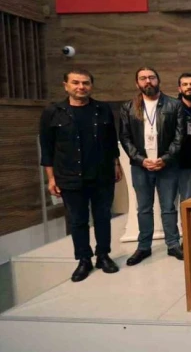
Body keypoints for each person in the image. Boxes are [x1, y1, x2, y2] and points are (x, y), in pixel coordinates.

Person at [39, 68, 122, 282]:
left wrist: (116, 164)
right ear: (66, 85)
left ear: (91, 86)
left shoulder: (102, 109)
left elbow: (111, 141)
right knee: (77, 220)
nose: (81, 87)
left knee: (103, 217)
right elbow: (47, 148)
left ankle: (103, 256)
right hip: (69, 176)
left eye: (85, 83)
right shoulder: (53, 112)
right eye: (76, 82)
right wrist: (51, 178)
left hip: (101, 174)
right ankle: (84, 259)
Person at [119, 67, 185, 265]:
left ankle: (173, 244)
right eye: (143, 78)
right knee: (144, 208)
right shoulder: (128, 107)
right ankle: (143, 247)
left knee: (168, 207)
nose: (148, 81)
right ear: (137, 83)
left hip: (167, 165)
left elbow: (179, 137)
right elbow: (125, 137)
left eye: (152, 77)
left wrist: (165, 158)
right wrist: (141, 159)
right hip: (141, 166)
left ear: (158, 80)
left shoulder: (174, 105)